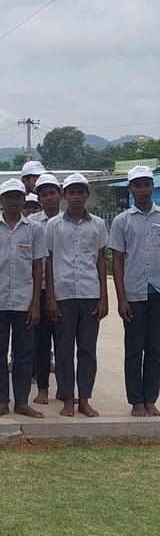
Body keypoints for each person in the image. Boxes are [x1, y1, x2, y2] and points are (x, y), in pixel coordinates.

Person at [0, 178, 47, 419]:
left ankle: (21, 401)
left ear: (23, 199)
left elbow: (38, 267)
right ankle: (1, 401)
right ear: (1, 200)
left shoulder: (34, 229)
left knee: (24, 352)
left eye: (17, 197)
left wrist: (36, 303)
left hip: (24, 301)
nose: (13, 201)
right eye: (8, 197)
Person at [44, 173, 108, 418]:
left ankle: (85, 399)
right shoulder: (54, 225)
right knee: (64, 349)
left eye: (80, 192)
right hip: (63, 295)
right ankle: (67, 398)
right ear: (64, 195)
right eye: (71, 192)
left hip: (90, 293)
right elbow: (48, 262)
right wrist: (50, 296)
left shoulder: (98, 225)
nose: (76, 196)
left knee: (88, 350)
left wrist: (104, 296)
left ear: (86, 195)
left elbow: (101, 261)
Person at [109, 165, 160, 417]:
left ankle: (151, 397)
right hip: (134, 294)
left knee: (156, 348)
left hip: (157, 293)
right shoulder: (121, 221)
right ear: (130, 188)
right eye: (137, 185)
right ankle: (136, 400)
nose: (142, 190)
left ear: (152, 186)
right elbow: (117, 262)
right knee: (134, 348)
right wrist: (121, 298)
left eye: (146, 184)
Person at [28, 173, 62, 405]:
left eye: (52, 193)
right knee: (40, 343)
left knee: (64, 343)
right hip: (39, 291)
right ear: (38, 198)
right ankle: (42, 388)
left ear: (60, 194)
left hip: (67, 291)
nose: (48, 198)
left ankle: (65, 388)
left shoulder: (69, 220)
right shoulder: (32, 224)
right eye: (44, 194)